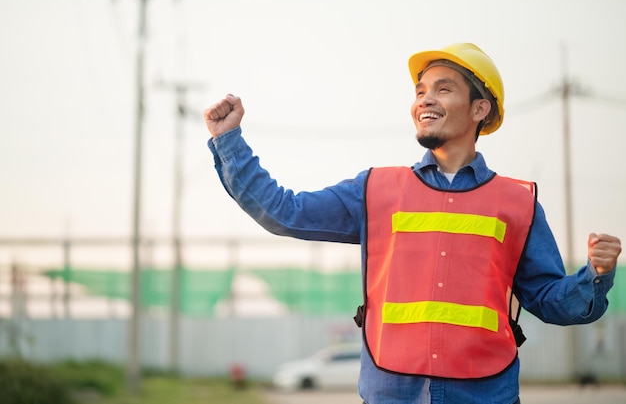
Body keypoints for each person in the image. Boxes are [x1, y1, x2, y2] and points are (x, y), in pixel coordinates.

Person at [203, 43, 622, 404]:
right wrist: (229, 140)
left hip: (485, 393)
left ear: (480, 108)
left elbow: (550, 299)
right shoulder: (375, 189)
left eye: (443, 89)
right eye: (420, 91)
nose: (425, 99)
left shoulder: (519, 203)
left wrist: (596, 275)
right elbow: (284, 212)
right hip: (391, 390)